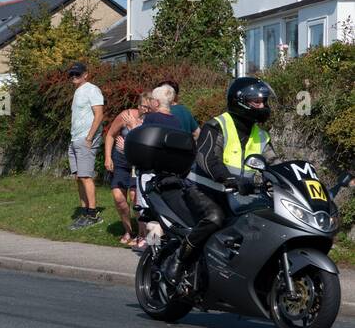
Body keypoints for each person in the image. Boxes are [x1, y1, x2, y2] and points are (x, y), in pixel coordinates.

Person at [174, 77, 278, 288]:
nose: (262, 106)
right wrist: (228, 178)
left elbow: (274, 162)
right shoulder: (218, 125)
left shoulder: (261, 135)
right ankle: (179, 259)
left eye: (264, 102)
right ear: (240, 101)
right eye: (256, 102)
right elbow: (207, 158)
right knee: (215, 218)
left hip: (236, 194)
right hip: (203, 189)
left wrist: (285, 181)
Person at [130, 84, 185, 252]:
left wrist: (133, 129)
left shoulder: (152, 119)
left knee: (150, 213)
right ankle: (162, 244)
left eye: (152, 100)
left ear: (156, 103)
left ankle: (153, 249)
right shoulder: (176, 121)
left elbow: (143, 142)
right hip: (170, 172)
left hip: (150, 172)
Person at [104, 91, 152, 246]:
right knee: (119, 198)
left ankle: (141, 234)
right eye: (144, 106)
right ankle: (128, 230)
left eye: (149, 107)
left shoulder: (151, 121)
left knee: (135, 197)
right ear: (138, 105)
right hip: (120, 162)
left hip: (136, 164)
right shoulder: (126, 115)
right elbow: (111, 134)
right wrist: (108, 157)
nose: (146, 110)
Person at [66, 62, 105, 229]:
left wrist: (89, 137)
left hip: (85, 139)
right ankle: (84, 212)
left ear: (85, 75)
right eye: (72, 75)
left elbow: (99, 114)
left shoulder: (92, 89)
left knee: (85, 177)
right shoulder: (78, 91)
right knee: (78, 177)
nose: (74, 77)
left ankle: (93, 214)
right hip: (75, 139)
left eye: (77, 74)